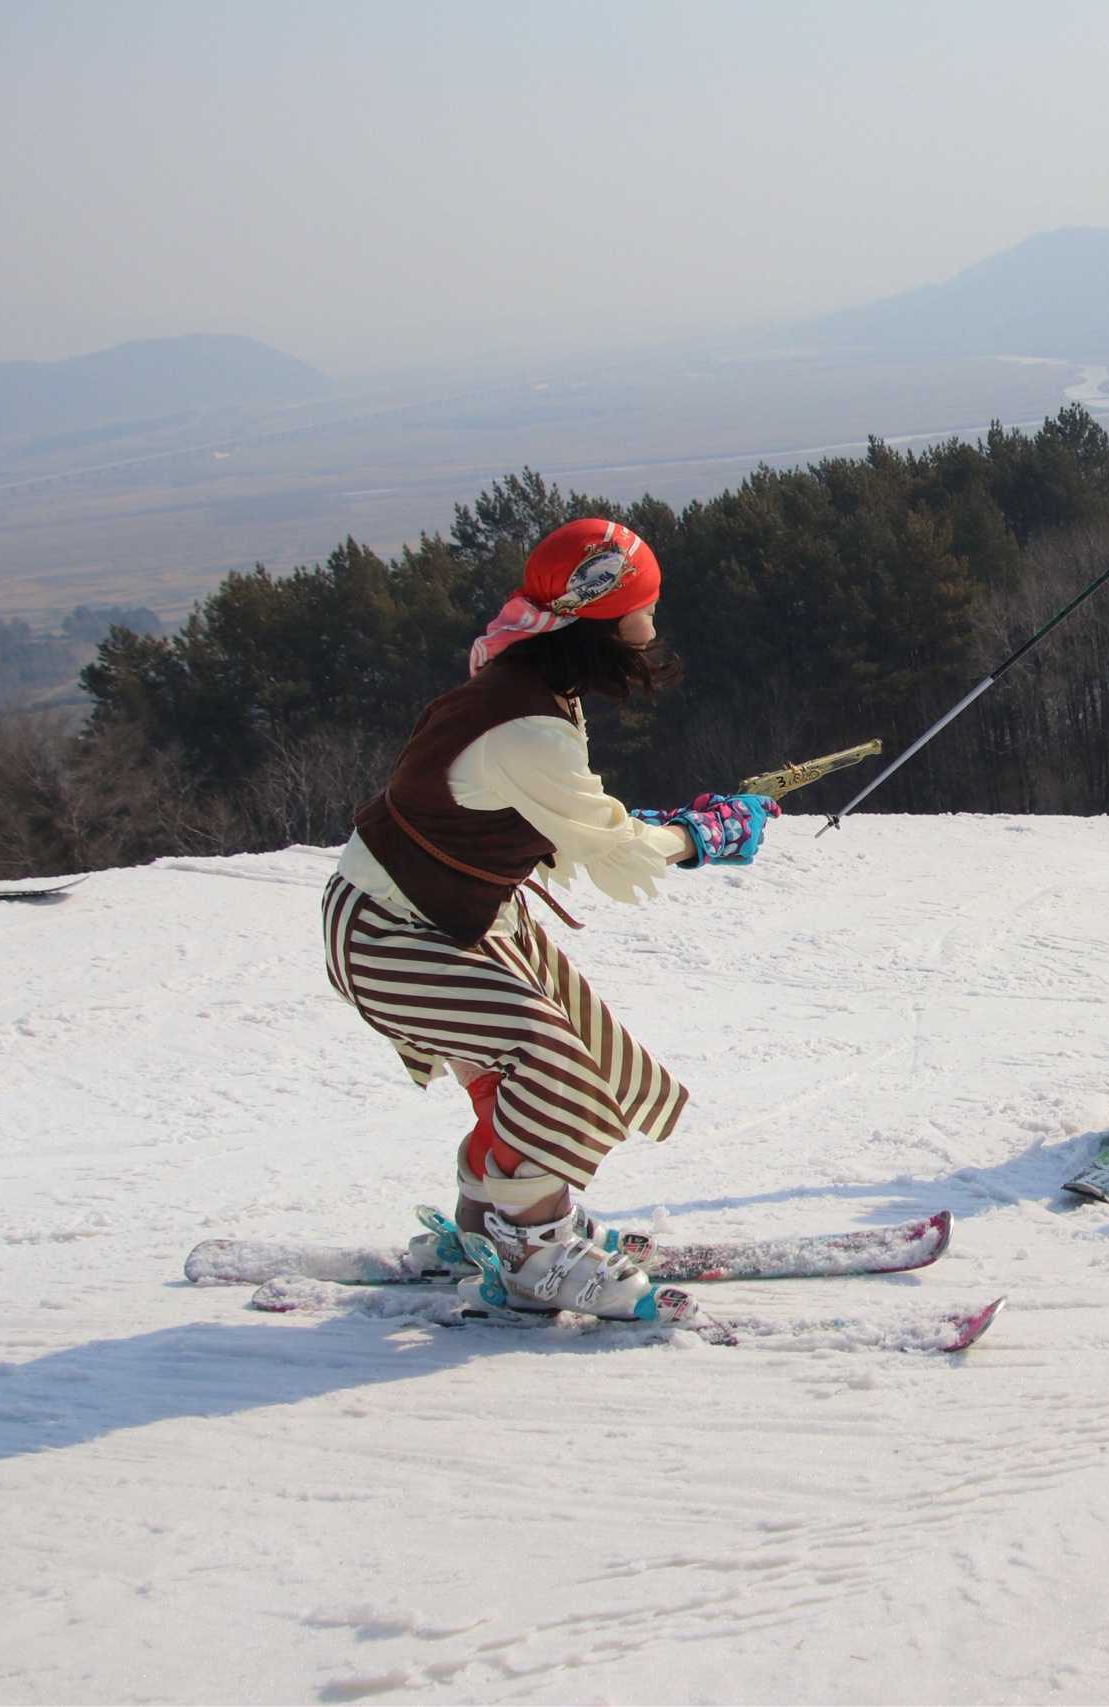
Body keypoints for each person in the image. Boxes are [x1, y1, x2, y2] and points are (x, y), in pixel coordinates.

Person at [320, 518, 780, 1319]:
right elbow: (606, 844)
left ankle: (486, 1223)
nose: (654, 625)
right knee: (544, 1055)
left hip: (442, 913)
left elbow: (560, 820)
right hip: (391, 934)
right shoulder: (527, 724)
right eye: (645, 607)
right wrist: (702, 836)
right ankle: (533, 1249)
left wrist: (661, 825)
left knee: (561, 1032)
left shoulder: (526, 685)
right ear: (599, 622)